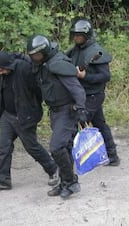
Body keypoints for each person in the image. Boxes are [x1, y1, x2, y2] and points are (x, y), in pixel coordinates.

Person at [0, 51, 60, 192]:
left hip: (24, 116)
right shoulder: (2, 71)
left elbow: (38, 89)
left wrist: (31, 109)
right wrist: (2, 112)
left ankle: (53, 169)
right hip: (7, 115)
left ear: (7, 65)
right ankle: (3, 180)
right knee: (4, 147)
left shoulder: (24, 68)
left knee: (31, 146)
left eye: (1, 70)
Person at [27, 34, 88, 199]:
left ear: (45, 51)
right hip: (55, 111)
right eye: (33, 55)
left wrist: (81, 109)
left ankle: (71, 181)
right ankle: (64, 184)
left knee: (56, 147)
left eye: (37, 55)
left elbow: (77, 88)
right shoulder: (41, 64)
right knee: (66, 147)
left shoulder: (58, 64)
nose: (35, 58)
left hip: (68, 111)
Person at [66, 17, 120, 166]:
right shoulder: (75, 50)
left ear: (86, 35)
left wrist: (85, 76)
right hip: (82, 93)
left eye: (79, 35)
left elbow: (105, 76)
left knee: (75, 123)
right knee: (99, 124)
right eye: (74, 35)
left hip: (93, 95)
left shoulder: (96, 51)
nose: (76, 37)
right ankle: (112, 155)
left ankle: (67, 162)